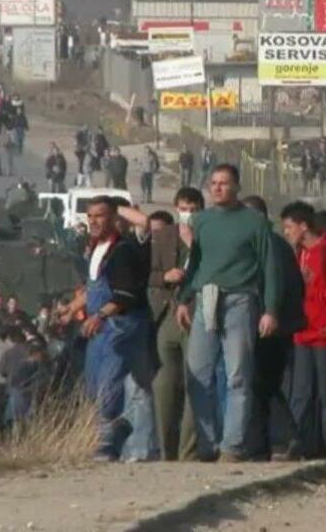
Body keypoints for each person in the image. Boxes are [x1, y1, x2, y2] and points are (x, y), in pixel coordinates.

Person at [175, 164, 281, 462]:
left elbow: (269, 268)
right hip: (205, 299)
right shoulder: (202, 221)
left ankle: (232, 446)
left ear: (237, 186)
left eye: (224, 183)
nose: (218, 188)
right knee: (197, 372)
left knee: (237, 375)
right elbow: (194, 263)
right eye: (214, 183)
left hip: (240, 300)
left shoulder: (255, 222)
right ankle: (206, 444)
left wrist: (270, 309)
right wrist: (184, 299)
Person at [78, 196, 150, 461]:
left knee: (109, 386)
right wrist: (69, 308)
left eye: (100, 216)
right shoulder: (95, 248)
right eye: (91, 216)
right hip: (98, 329)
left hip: (118, 325)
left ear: (113, 218)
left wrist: (99, 315)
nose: (94, 222)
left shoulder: (123, 250)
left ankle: (105, 446)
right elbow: (92, 287)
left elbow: (125, 295)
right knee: (94, 386)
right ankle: (113, 434)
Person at [282, 201, 326, 460]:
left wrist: (314, 290)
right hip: (303, 333)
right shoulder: (298, 254)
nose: (287, 233)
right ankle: (299, 447)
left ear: (304, 226)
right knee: (300, 395)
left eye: (289, 227)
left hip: (325, 335)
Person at [241, 195, 306, 462]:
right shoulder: (276, 244)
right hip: (277, 326)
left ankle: (282, 439)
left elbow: (276, 286)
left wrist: (271, 314)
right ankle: (266, 444)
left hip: (269, 327)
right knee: (264, 386)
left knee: (261, 385)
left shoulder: (268, 246)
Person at [148, 188, 203, 461]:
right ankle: (166, 450)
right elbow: (148, 274)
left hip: (195, 314)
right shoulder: (162, 237)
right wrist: (165, 276)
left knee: (195, 382)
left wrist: (194, 244)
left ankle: (188, 452)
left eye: (194, 209)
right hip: (166, 313)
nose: (188, 214)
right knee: (164, 386)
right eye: (184, 208)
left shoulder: (206, 237)